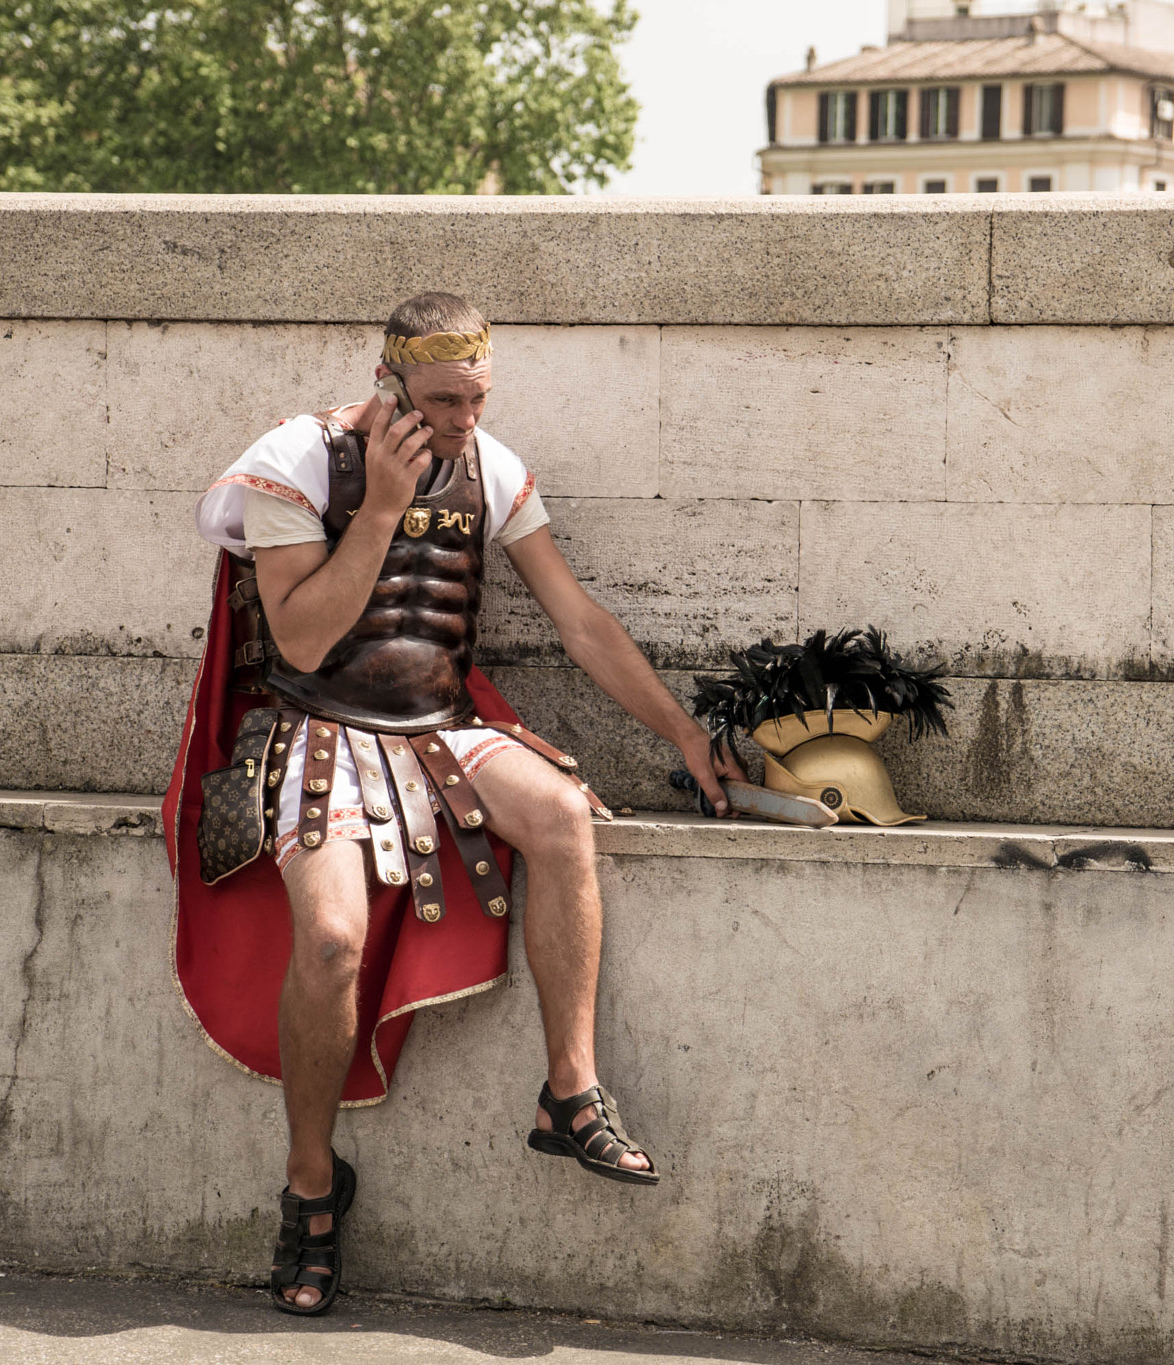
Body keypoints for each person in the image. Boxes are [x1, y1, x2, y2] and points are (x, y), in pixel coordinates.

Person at [164, 291, 744, 1316]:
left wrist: (683, 733)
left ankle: (568, 1091)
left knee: (563, 816)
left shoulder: (494, 467)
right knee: (332, 941)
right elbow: (297, 641)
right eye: (439, 399)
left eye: (474, 397)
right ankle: (310, 1186)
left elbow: (581, 624)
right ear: (387, 379)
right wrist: (382, 507)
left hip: (440, 728)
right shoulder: (300, 458)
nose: (460, 418)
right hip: (318, 730)